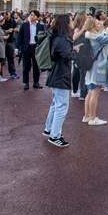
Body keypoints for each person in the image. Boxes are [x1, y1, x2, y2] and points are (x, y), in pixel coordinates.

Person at [43, 14, 81, 148]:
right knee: (62, 106)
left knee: (55, 104)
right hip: (61, 75)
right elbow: (67, 56)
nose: (72, 23)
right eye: (70, 21)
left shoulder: (58, 37)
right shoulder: (62, 39)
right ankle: (55, 135)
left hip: (56, 74)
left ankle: (48, 129)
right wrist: (75, 52)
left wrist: (72, 49)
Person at [83, 14, 108, 125]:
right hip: (98, 66)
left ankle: (87, 116)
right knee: (95, 92)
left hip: (91, 66)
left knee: (90, 92)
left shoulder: (90, 35)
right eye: (97, 23)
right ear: (93, 26)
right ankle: (93, 118)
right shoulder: (96, 36)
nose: (100, 24)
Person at [16, 10, 45, 90]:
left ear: (37, 17)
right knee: (26, 66)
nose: (32, 16)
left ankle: (36, 82)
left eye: (34, 15)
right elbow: (20, 37)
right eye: (31, 15)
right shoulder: (24, 25)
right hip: (27, 47)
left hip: (36, 48)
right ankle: (26, 83)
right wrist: (18, 47)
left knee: (36, 66)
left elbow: (43, 37)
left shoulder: (40, 26)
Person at [1, 12, 19, 80]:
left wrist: (14, 29)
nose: (6, 16)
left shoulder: (12, 21)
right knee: (2, 59)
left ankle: (12, 73)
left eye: (8, 15)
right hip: (2, 42)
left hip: (10, 41)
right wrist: (7, 31)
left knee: (11, 58)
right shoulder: (1, 21)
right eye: (5, 15)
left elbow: (16, 28)